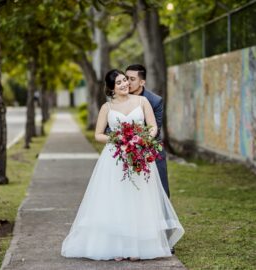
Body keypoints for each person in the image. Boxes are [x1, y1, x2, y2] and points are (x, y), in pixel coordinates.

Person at [61, 69, 184, 261]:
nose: (125, 84)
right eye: (119, 82)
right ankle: (117, 245)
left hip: (139, 155)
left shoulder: (142, 102)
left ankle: (139, 245)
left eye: (125, 80)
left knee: (139, 199)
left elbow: (152, 126)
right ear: (111, 88)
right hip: (114, 158)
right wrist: (117, 137)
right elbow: (98, 134)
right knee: (117, 200)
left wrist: (142, 140)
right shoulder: (107, 108)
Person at [125, 64, 170, 198]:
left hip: (150, 146)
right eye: (126, 78)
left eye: (132, 79)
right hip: (124, 147)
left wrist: (137, 143)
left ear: (142, 82)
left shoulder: (155, 101)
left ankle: (162, 215)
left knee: (159, 189)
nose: (127, 82)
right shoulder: (119, 97)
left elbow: (155, 128)